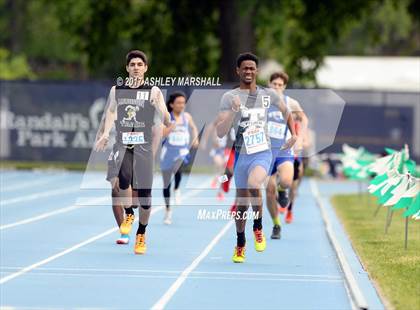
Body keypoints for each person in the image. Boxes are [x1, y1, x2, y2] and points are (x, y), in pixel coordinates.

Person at [216, 53, 297, 263]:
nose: (249, 72)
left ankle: (258, 227)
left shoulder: (268, 95)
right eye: (245, 68)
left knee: (255, 185)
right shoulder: (229, 98)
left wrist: (294, 134)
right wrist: (234, 111)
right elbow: (220, 131)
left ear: (257, 71)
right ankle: (240, 243)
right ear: (238, 71)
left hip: (262, 152)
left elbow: (287, 112)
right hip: (241, 155)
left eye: (252, 68)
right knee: (241, 206)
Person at [95, 50, 171, 254]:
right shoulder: (116, 90)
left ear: (146, 68)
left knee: (145, 197)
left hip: (144, 147)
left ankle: (141, 233)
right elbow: (111, 111)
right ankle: (129, 213)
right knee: (123, 178)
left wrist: (160, 109)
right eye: (132, 64)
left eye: (140, 64)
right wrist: (104, 134)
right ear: (127, 68)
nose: (136, 67)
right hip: (123, 144)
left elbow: (166, 120)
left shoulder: (154, 91)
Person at [265, 72, 308, 235]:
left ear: (284, 87)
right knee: (269, 192)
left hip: (284, 150)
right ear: (269, 84)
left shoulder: (290, 103)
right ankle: (276, 224)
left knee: (287, 181)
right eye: (274, 84)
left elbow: (304, 119)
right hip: (265, 152)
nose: (276, 87)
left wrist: (300, 138)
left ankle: (282, 190)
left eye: (280, 85)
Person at [160, 91, 199, 224]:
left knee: (178, 167)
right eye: (179, 103)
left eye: (183, 103)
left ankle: (177, 188)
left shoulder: (187, 117)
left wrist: (195, 139)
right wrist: (171, 127)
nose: (182, 105)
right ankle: (168, 210)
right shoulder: (166, 117)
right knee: (166, 184)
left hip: (181, 150)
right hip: (167, 151)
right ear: (171, 104)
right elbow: (161, 134)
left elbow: (194, 128)